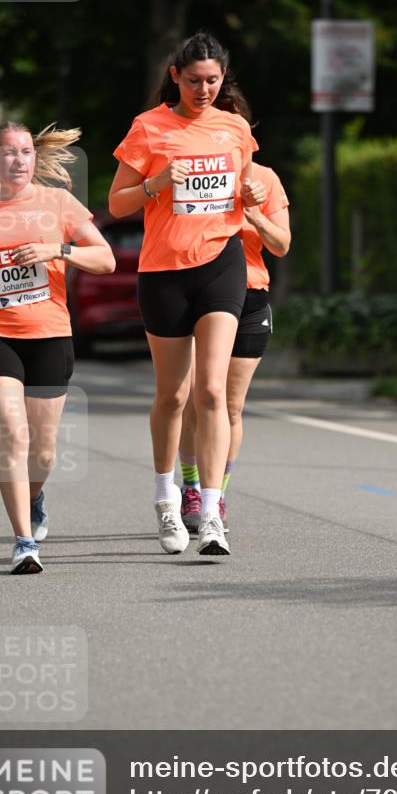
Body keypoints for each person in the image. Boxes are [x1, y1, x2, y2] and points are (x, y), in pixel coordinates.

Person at [109, 31, 258, 557]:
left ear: (223, 80)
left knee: (212, 392)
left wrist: (253, 192)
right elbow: (118, 204)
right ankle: (165, 497)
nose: (204, 90)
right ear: (176, 76)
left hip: (222, 262)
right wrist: (158, 182)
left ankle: (213, 512)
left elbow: (243, 186)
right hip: (164, 271)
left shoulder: (235, 128)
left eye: (213, 81)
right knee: (173, 395)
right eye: (194, 80)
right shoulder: (149, 128)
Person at [0, 121, 115, 574]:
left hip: (49, 333)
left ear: (34, 159)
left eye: (25, 152)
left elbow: (106, 259)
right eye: (8, 154)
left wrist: (57, 250)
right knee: (13, 437)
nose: (18, 161)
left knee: (43, 452)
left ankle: (35, 496)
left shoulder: (57, 202)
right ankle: (23, 541)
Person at [179, 162, 290, 534]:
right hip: (200, 296)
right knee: (196, 397)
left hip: (250, 298)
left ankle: (217, 494)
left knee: (230, 406)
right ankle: (191, 486)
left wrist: (255, 214)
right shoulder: (191, 168)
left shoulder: (264, 179)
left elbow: (282, 244)